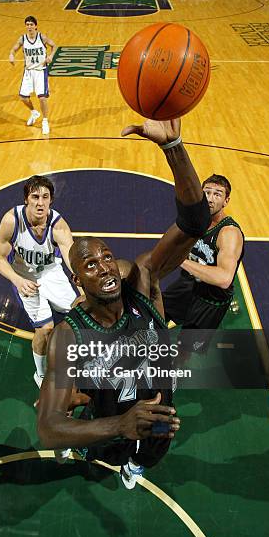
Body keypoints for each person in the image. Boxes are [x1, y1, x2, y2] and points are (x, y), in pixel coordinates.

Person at [37, 117, 211, 488]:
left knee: (155, 447)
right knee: (102, 450)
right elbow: (48, 429)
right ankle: (110, 451)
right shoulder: (70, 334)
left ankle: (137, 466)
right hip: (110, 414)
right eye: (90, 264)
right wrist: (118, 424)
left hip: (160, 401)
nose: (104, 267)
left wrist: (173, 146)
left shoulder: (142, 280)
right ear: (76, 280)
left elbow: (196, 221)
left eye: (106, 256)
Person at [0, 175, 78, 391]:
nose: (40, 202)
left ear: (51, 200)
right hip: (25, 277)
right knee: (46, 329)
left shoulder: (59, 226)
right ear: (26, 200)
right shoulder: (12, 221)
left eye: (45, 197)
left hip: (51, 272)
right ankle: (40, 373)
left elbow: (72, 259)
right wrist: (17, 280)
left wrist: (82, 286)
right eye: (35, 197)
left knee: (78, 315)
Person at [162, 173, 244, 353]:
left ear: (226, 201)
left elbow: (224, 278)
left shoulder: (228, 233)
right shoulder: (197, 219)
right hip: (188, 285)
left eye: (217, 194)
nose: (210, 199)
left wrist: (181, 260)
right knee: (158, 314)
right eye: (207, 192)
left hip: (210, 300)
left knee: (186, 347)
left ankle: (177, 369)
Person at [8, 16, 56, 135]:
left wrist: (50, 56)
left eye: (31, 24)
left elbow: (54, 46)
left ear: (36, 26)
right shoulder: (22, 39)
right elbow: (14, 49)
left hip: (41, 70)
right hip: (28, 71)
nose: (29, 27)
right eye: (27, 24)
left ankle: (45, 121)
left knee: (42, 97)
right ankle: (34, 112)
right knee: (23, 97)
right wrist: (11, 55)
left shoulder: (42, 37)